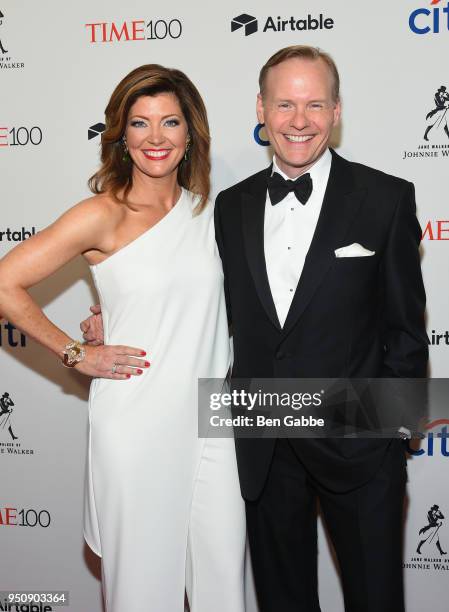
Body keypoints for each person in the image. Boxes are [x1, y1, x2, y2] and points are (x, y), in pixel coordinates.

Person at [82, 47, 428, 611]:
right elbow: (196, 294)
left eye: (315, 104)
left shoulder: (386, 198)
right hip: (263, 447)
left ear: (336, 110)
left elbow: (407, 328)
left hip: (360, 444)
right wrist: (112, 318)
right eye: (285, 104)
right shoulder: (227, 208)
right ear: (261, 110)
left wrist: (395, 434)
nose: (299, 120)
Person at [0, 64, 245, 612]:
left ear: (191, 133)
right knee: (141, 590)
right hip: (137, 421)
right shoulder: (102, 215)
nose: (156, 138)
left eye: (170, 122)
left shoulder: (214, 214)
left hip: (214, 425)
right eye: (140, 123)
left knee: (224, 587)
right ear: (121, 134)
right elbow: (5, 283)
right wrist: (76, 351)